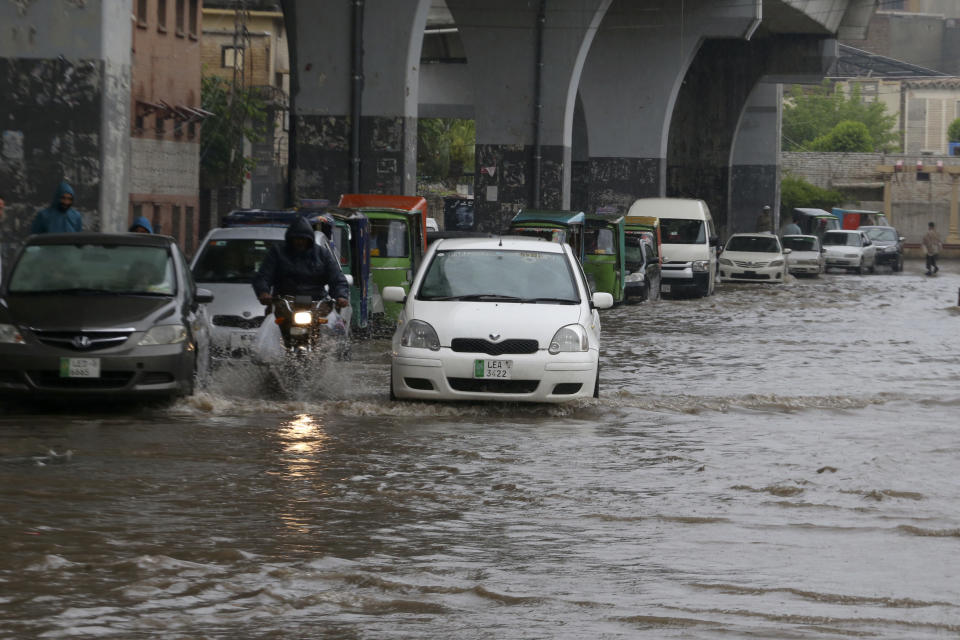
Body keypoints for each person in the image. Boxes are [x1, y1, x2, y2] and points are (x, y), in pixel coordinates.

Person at [252, 215, 350, 310]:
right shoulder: (277, 252)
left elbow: (337, 277)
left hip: (317, 305)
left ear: (309, 239)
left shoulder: (322, 254)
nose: (300, 242)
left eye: (303, 239)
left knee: (333, 324)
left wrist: (341, 296)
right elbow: (264, 275)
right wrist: (263, 292)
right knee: (271, 324)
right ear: (291, 238)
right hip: (283, 305)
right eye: (297, 238)